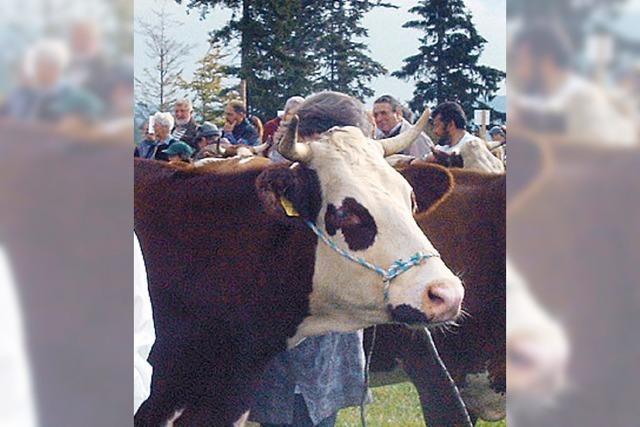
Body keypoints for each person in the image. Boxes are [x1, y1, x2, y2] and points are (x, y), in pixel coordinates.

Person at [250, 92, 371, 427]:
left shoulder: (365, 186)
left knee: (316, 413)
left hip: (328, 330)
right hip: (280, 329)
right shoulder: (273, 180)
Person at [428, 101, 504, 173]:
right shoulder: (439, 149)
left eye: (437, 125)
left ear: (450, 124)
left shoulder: (473, 147)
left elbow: (486, 179)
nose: (435, 131)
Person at [373, 94, 433, 159]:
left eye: (384, 113)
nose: (379, 119)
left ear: (398, 113)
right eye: (375, 115)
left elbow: (424, 166)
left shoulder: (417, 138)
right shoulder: (376, 139)